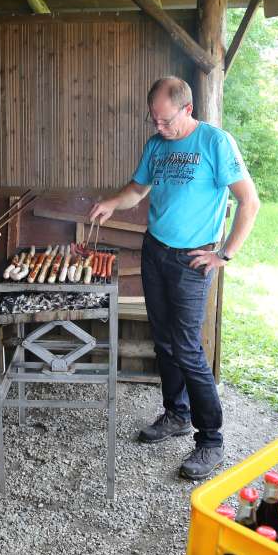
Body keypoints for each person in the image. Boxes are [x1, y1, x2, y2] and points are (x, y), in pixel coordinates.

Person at [90, 77, 259, 481]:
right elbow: (136, 189)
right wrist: (112, 203)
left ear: (187, 109)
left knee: (186, 347)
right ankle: (176, 413)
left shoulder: (216, 143)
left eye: (165, 121)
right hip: (156, 251)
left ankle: (211, 439)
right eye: (154, 121)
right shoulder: (157, 146)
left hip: (192, 260)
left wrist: (224, 254)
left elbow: (249, 201)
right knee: (163, 340)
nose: (159, 128)